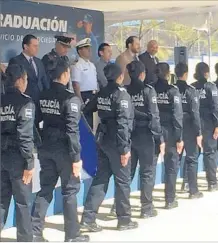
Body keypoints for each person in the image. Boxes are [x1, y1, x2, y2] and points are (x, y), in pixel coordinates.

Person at [31, 59, 88, 242]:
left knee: (45, 189)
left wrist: (40, 141)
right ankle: (72, 235)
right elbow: (73, 130)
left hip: (46, 148)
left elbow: (34, 122)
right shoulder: (71, 99)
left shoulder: (42, 95)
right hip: (64, 151)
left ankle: (34, 232)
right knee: (70, 191)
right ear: (65, 74)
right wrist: (76, 157)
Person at [80, 63, 138, 232]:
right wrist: (124, 149)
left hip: (103, 140)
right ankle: (124, 220)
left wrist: (95, 129)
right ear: (120, 76)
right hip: (116, 143)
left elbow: (86, 110)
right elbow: (123, 124)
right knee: (122, 181)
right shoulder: (121, 95)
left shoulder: (101, 93)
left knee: (101, 179)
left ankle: (88, 218)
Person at [0, 64, 35, 241]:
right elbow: (25, 136)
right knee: (23, 203)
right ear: (20, 80)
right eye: (26, 79)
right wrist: (29, 163)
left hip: (1, 156)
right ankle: (25, 239)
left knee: (1, 200)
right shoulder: (25, 102)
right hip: (18, 158)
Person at [126, 60, 164, 217]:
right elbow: (154, 116)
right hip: (147, 136)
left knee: (127, 174)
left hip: (129, 136)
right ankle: (146, 208)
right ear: (142, 74)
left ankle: (120, 206)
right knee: (147, 173)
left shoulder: (125, 91)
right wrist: (159, 138)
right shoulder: (148, 91)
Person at [154, 63, 184, 209]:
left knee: (148, 168)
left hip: (152, 130)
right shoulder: (173, 90)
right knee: (171, 166)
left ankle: (119, 204)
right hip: (169, 132)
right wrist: (179, 137)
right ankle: (170, 199)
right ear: (168, 74)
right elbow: (177, 116)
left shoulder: (150, 89)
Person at [191, 62, 218, 192]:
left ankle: (188, 183)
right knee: (210, 152)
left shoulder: (191, 87)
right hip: (208, 123)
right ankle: (212, 182)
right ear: (207, 73)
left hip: (193, 123)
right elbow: (215, 107)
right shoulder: (210, 87)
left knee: (192, 154)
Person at [175, 63, 203, 199]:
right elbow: (195, 113)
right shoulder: (191, 90)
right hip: (189, 128)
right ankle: (193, 190)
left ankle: (170, 193)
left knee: (174, 160)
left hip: (174, 127)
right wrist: (198, 132)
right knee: (192, 158)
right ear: (186, 74)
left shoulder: (171, 89)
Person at [8, 34, 49, 105]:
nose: (37, 48)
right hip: (24, 101)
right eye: (34, 46)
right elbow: (14, 83)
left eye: (38, 46)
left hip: (40, 101)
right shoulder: (16, 61)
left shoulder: (39, 62)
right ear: (25, 46)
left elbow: (44, 80)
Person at [71, 38, 98, 128]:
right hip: (84, 96)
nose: (89, 50)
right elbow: (75, 84)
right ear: (80, 50)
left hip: (93, 95)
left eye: (89, 47)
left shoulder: (92, 65)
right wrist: (80, 101)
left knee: (92, 122)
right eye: (86, 48)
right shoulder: (77, 65)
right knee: (86, 122)